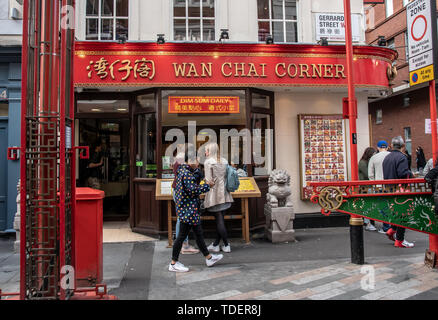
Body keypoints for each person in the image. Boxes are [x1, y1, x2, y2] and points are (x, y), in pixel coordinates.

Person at [168, 153, 223, 273]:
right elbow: (193, 190)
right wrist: (207, 186)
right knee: (181, 236)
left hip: (189, 209)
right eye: (197, 160)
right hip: (188, 210)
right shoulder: (186, 174)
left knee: (198, 234)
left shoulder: (186, 171)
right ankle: (173, 263)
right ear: (190, 161)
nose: (198, 163)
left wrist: (201, 177)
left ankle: (208, 257)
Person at [382, 136, 415, 248]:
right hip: (399, 189)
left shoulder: (387, 157)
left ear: (391, 145)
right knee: (402, 214)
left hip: (388, 188)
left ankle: (392, 230)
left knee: (395, 212)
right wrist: (411, 175)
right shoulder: (402, 157)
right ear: (403, 146)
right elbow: (402, 173)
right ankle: (400, 240)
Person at [204, 142, 234, 253]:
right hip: (225, 192)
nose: (205, 152)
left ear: (210, 151)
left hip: (214, 194)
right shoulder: (224, 161)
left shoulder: (208, 162)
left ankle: (226, 244)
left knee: (219, 220)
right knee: (220, 219)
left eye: (206, 150)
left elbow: (208, 180)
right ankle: (216, 244)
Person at [172, 143, 199, 255]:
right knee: (181, 218)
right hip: (183, 192)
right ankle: (184, 245)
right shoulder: (184, 161)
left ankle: (183, 243)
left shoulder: (176, 160)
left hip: (177, 190)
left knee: (181, 217)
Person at [368, 140, 391, 233]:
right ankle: (394, 226)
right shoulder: (391, 156)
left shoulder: (374, 158)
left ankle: (386, 227)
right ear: (387, 146)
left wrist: (374, 183)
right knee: (392, 205)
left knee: (383, 206)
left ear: (378, 147)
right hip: (391, 185)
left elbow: (370, 174)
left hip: (379, 185)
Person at [358, 147, 377, 231]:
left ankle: (368, 222)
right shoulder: (362, 163)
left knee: (368, 204)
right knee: (367, 204)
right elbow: (368, 174)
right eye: (373, 154)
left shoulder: (366, 162)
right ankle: (367, 223)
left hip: (368, 186)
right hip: (365, 186)